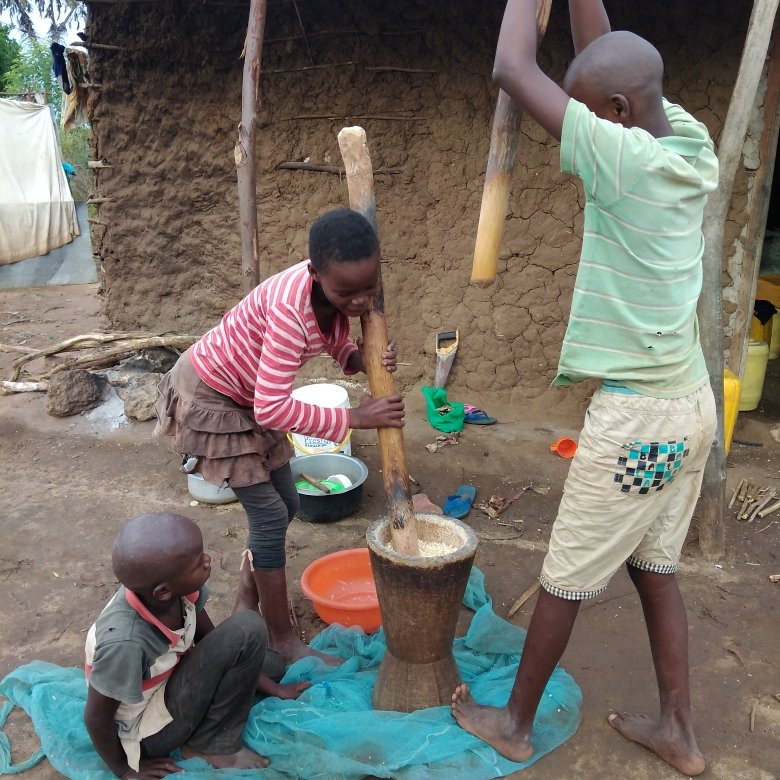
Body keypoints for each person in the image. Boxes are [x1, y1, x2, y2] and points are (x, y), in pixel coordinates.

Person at [451, 2, 717, 776]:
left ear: (616, 116)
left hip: (640, 423)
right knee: (653, 564)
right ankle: (680, 732)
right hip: (690, 409)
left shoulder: (623, 161)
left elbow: (510, 67)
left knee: (566, 569)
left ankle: (514, 723)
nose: (578, 125)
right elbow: (607, 62)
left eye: (591, 115)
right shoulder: (683, 140)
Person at [154, 208, 404, 666]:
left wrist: (358, 357)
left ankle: (245, 608)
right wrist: (356, 418)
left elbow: (329, 332)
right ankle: (279, 638)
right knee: (269, 516)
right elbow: (274, 407)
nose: (360, 301)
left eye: (370, 289)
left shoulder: (331, 292)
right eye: (346, 292)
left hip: (250, 396)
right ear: (315, 274)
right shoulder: (291, 312)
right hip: (215, 396)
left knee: (288, 504)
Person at [83, 512, 309, 779]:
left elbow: (212, 641)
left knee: (270, 664)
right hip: (147, 731)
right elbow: (96, 718)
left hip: (168, 685)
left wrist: (274, 689)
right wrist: (125, 770)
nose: (207, 560)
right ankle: (211, 743)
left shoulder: (177, 592)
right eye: (197, 562)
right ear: (163, 591)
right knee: (248, 628)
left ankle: (217, 720)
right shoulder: (126, 643)